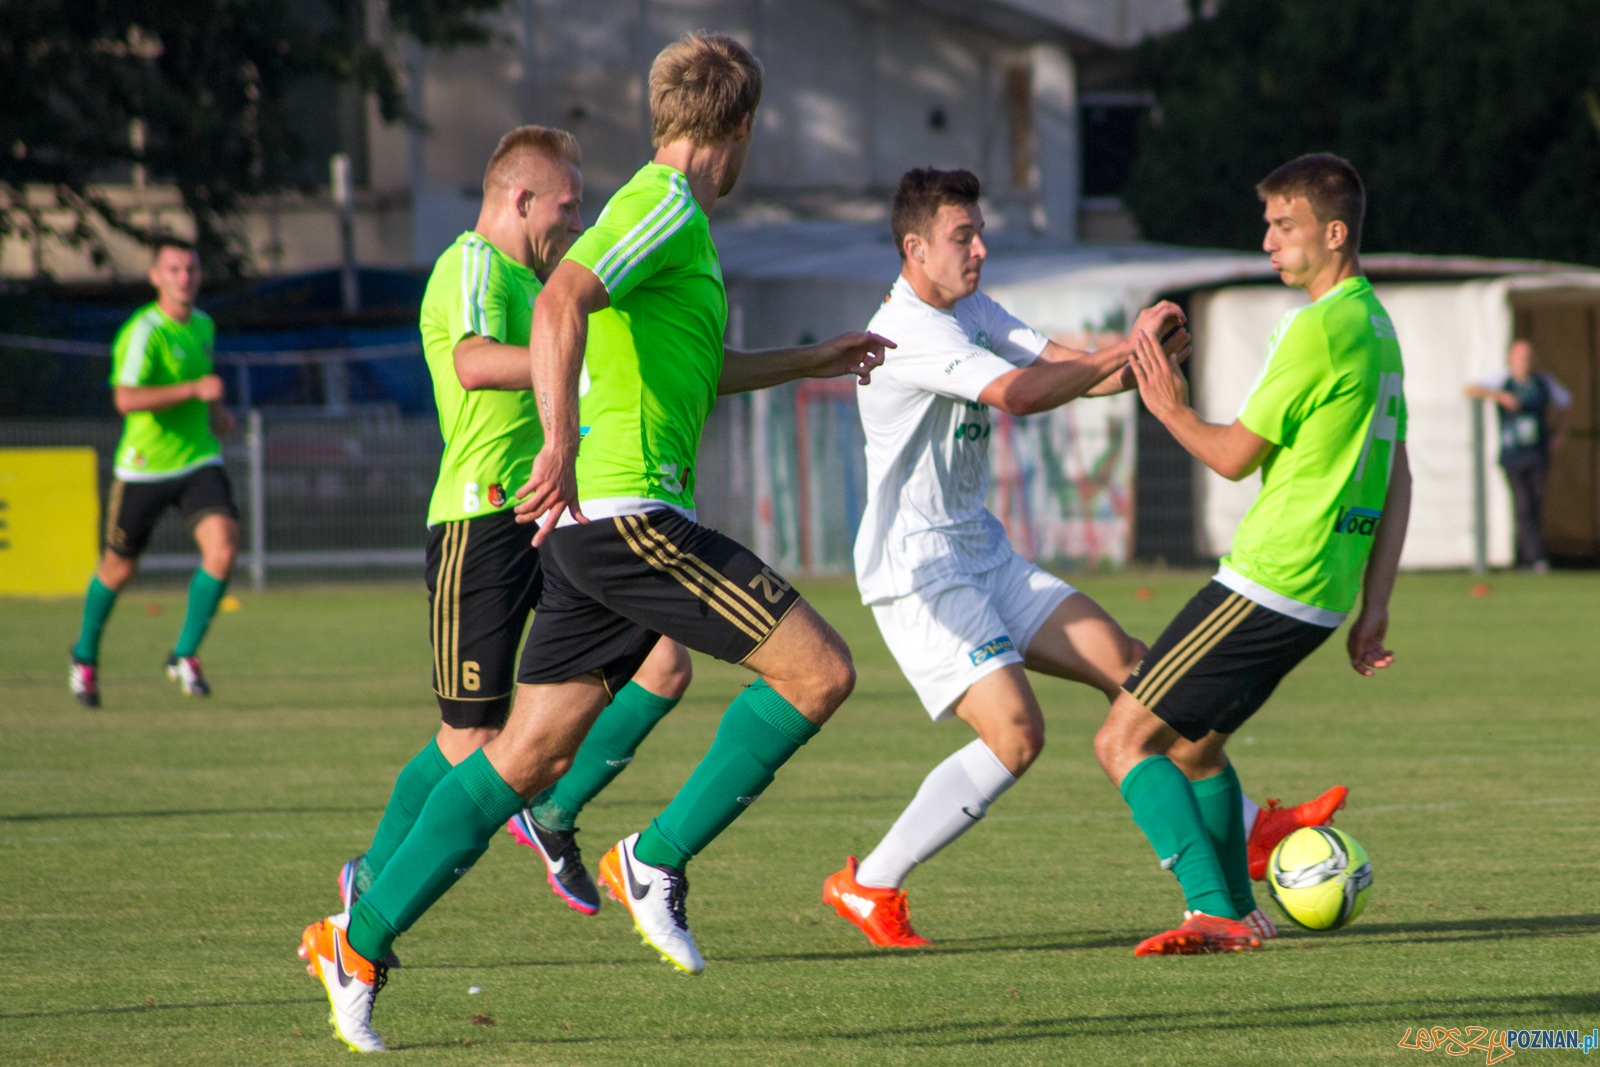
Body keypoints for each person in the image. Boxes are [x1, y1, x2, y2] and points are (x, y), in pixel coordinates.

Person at [298, 33, 890, 1052]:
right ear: (740, 128)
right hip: (628, 520)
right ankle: (651, 859)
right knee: (820, 671)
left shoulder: (673, 225)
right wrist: (563, 447)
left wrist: (809, 359)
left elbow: (684, 366)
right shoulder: (660, 204)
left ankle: (359, 939)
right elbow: (566, 298)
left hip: (597, 529)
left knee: (523, 756)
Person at [821, 167, 1347, 950]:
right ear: (915, 247)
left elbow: (1067, 368)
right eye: (963, 237)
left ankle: (1250, 832)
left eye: (978, 232)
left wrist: (1142, 361)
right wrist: (1124, 353)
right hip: (919, 568)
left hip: (982, 550)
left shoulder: (969, 308)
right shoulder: (908, 332)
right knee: (1016, 734)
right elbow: (1022, 395)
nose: (981, 249)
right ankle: (871, 883)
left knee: (1140, 672)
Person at [325, 127, 695, 948]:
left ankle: (553, 812)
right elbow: (470, 362)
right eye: (567, 206)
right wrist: (569, 360)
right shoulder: (471, 264)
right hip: (478, 522)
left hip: (544, 511)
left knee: (666, 659)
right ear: (519, 198)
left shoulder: (536, 279)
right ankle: (371, 886)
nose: (575, 220)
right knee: (470, 739)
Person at [1094, 153, 1410, 956]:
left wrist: (1167, 403)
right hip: (1324, 588)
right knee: (1199, 747)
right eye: (1267, 223)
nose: (1268, 239)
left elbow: (1233, 454)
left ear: (1334, 233)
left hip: (1272, 575)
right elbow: (1396, 472)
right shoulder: (1377, 326)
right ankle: (1241, 905)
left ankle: (1211, 907)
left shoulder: (1319, 328)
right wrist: (1373, 604)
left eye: (1285, 224)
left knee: (1122, 740)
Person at [70, 237, 238, 706]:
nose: (185, 277)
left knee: (223, 550)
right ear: (156, 277)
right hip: (144, 469)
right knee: (119, 569)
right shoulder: (144, 331)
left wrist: (219, 415)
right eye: (175, 269)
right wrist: (192, 391)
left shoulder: (203, 325)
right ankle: (84, 657)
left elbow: (205, 388)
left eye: (191, 269)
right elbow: (125, 400)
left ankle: (183, 654)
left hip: (198, 459)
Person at [1464, 339, 1571, 572]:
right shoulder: (1502, 380)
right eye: (1521, 357)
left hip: (1537, 454)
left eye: (1528, 357)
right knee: (1523, 505)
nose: (1525, 362)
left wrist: (1560, 435)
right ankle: (1530, 558)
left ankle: (1530, 556)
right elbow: (1469, 389)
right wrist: (1498, 396)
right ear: (1511, 359)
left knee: (1536, 504)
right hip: (1513, 456)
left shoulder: (1543, 382)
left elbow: (1566, 402)